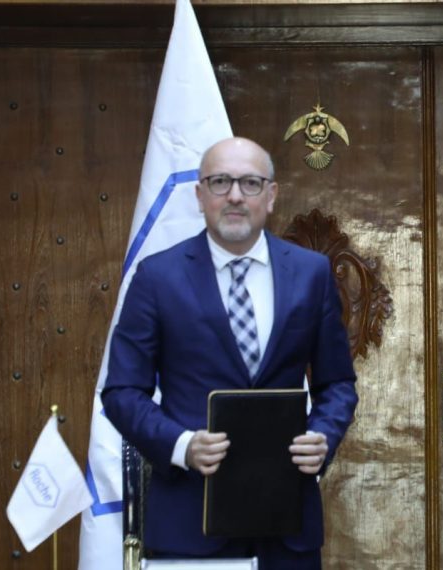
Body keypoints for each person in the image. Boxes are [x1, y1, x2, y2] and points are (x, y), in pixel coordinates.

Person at [102, 137, 358, 568]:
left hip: (287, 527)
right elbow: (122, 392)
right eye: (220, 182)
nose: (235, 195)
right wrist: (182, 445)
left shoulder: (311, 273)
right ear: (199, 195)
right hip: (190, 523)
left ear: (271, 195)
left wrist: (323, 437)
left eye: (250, 183)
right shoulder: (157, 277)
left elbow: (338, 384)